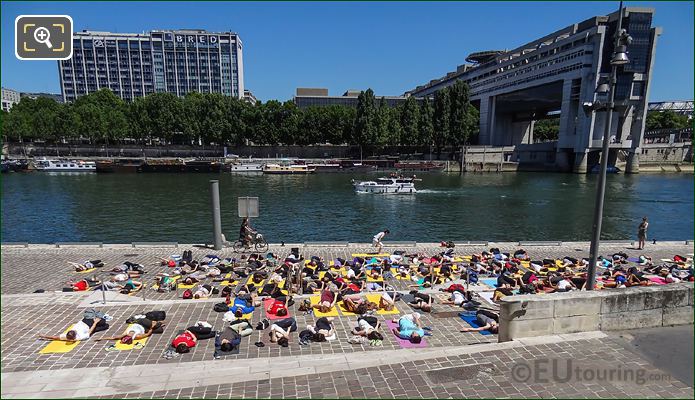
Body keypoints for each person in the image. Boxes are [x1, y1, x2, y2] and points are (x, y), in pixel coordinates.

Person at [38, 313, 109, 342]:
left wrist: (44, 336)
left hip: (85, 322)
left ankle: (95, 316)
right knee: (106, 326)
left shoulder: (68, 336)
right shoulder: (80, 337)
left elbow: (55, 337)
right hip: (89, 327)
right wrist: (95, 322)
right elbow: (90, 331)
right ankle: (97, 319)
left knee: (102, 321)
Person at [95, 317, 165, 343]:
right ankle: (158, 323)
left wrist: (102, 338)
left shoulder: (125, 334)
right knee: (158, 328)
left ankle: (155, 321)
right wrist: (152, 327)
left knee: (147, 321)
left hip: (139, 322)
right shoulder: (137, 336)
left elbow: (113, 337)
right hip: (145, 328)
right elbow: (148, 334)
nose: (129, 334)